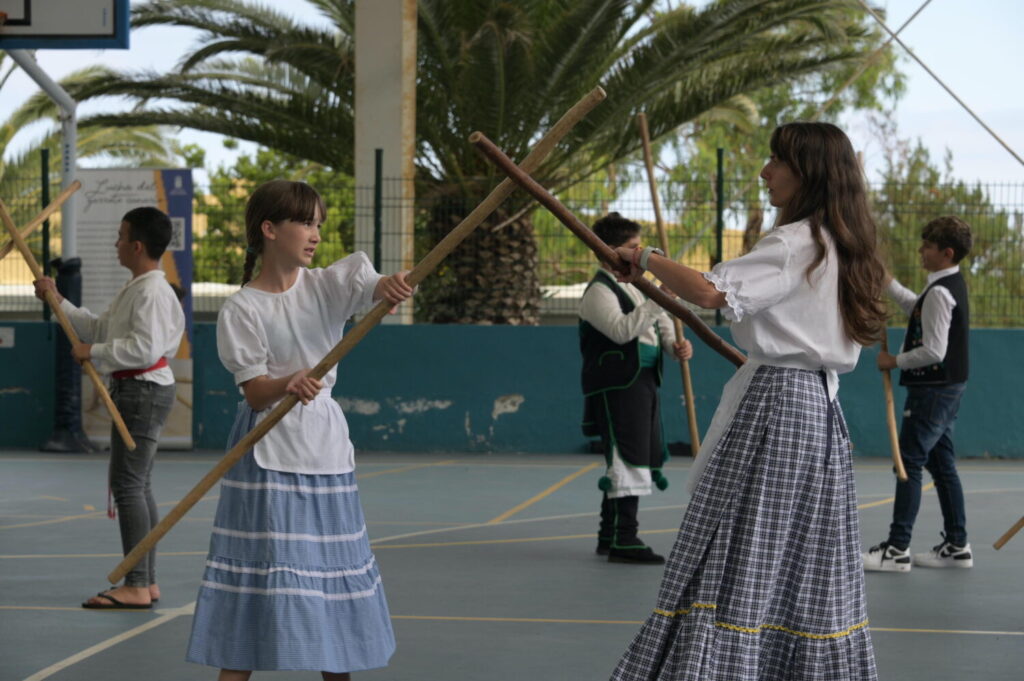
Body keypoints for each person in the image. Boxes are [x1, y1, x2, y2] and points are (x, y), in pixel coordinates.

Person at [609, 122, 886, 680]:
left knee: (739, 541)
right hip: (817, 413)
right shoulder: (844, 245)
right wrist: (649, 272)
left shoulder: (794, 242)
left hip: (779, 407)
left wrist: (648, 257)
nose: (765, 173)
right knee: (801, 551)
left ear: (807, 172)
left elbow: (712, 291)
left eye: (776, 162)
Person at [185, 180, 412, 681]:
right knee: (261, 571)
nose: (314, 235)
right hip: (266, 447)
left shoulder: (325, 286)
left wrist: (389, 285)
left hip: (325, 448)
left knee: (331, 574)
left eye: (317, 225)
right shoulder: (242, 308)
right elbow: (255, 392)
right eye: (304, 223)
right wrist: (287, 382)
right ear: (269, 229)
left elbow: (368, 285)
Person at [33, 207, 185, 609]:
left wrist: (94, 353)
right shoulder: (137, 287)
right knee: (138, 485)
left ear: (136, 246)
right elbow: (98, 328)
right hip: (138, 390)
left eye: (119, 237)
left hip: (142, 391)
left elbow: (144, 349)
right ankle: (146, 581)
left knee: (129, 485)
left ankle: (135, 583)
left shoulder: (151, 291)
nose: (115, 244)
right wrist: (57, 299)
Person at [579, 212, 693, 564]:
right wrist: (657, 299)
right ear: (609, 252)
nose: (639, 253)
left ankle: (608, 533)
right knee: (626, 456)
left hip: (643, 381)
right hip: (616, 384)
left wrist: (676, 346)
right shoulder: (599, 291)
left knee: (634, 453)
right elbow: (622, 330)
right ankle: (624, 538)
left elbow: (656, 326)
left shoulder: (634, 285)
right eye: (632, 247)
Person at [863, 216, 973, 573]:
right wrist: (889, 283)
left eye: (927, 246)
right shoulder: (944, 287)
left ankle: (897, 550)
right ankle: (957, 545)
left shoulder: (941, 293)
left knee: (908, 461)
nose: (921, 251)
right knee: (941, 465)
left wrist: (894, 360)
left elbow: (934, 351)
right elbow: (918, 310)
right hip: (947, 388)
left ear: (947, 252)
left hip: (934, 391)